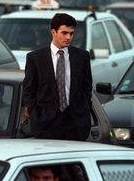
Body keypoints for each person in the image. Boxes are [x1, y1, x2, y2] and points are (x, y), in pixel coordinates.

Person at [22, 13, 92, 141]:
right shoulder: (35, 58)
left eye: (71, 33)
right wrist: (34, 112)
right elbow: (29, 89)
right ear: (53, 32)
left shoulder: (82, 56)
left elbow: (87, 87)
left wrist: (84, 108)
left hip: (75, 122)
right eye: (64, 33)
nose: (68, 37)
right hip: (46, 123)